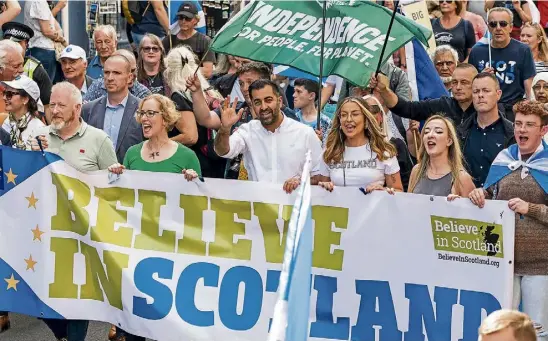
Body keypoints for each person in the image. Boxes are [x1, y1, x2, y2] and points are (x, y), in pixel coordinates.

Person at [108, 95, 200, 341]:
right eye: (142, 114)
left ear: (166, 118)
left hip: (171, 248)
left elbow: (199, 207)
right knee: (136, 319)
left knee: (165, 320)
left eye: (150, 114)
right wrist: (117, 175)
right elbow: (123, 200)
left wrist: (193, 182)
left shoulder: (186, 157)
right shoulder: (132, 154)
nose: (144, 119)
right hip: (138, 246)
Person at [31, 82, 118, 341]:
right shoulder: (40, 137)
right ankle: (63, 335)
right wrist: (35, 155)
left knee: (79, 298)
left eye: (61, 105)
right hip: (46, 231)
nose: (54, 110)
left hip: (83, 234)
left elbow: (114, 187)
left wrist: (114, 174)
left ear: (78, 108)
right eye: (51, 105)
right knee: (36, 295)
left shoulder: (98, 140)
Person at [469, 100, 547, 341]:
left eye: (530, 125)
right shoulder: (504, 158)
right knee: (502, 331)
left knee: (537, 332)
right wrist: (479, 194)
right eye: (519, 124)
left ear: (543, 130)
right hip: (504, 263)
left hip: (540, 265)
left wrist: (530, 208)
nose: (522, 130)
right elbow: (491, 194)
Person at [186, 62, 298, 179]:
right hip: (235, 183)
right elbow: (205, 119)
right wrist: (197, 92)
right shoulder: (234, 109)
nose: (244, 88)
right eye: (241, 83)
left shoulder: (287, 115)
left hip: (274, 183)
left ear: (265, 83)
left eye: (250, 82)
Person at [214, 79, 322, 191]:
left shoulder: (305, 133)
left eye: (268, 100)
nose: (264, 107)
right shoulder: (247, 131)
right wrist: (225, 128)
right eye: (257, 102)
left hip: (292, 205)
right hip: (259, 206)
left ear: (280, 101)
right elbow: (222, 151)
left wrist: (300, 181)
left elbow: (320, 175)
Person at [313, 96, 403, 193]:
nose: (348, 119)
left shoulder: (383, 151)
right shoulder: (329, 152)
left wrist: (383, 190)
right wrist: (325, 186)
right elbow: (321, 192)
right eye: (343, 115)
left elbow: (398, 190)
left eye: (355, 114)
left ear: (366, 120)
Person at [468, 7, 536, 121]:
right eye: (493, 24)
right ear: (488, 27)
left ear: (510, 27)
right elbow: (470, 85)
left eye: (503, 24)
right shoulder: (477, 51)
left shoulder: (523, 50)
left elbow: (529, 87)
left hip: (512, 110)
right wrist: (481, 77)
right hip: (484, 109)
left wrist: (530, 113)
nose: (498, 28)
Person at [370, 63, 479, 127]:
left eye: (464, 82)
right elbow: (406, 108)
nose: (458, 87)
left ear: (475, 84)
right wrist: (384, 90)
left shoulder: (486, 110)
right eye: (455, 82)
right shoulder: (443, 105)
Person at [82, 54, 143, 163]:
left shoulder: (143, 109)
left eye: (116, 73)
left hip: (132, 175)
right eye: (106, 72)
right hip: (96, 175)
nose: (110, 78)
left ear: (130, 78)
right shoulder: (88, 110)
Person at [459, 72, 515, 187]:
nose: (480, 95)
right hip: (466, 200)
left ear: (498, 94)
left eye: (486, 90)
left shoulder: (512, 133)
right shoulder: (461, 132)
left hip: (500, 201)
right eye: (476, 91)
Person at [408, 115, 475, 197]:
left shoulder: (462, 178)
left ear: (449, 141)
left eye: (438, 132)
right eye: (426, 132)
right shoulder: (416, 171)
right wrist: (392, 196)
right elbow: (408, 206)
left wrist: (456, 207)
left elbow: (472, 209)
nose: (430, 135)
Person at [363, 95, 414, 191]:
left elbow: (407, 186)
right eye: (364, 111)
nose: (369, 115)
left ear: (381, 116)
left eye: (374, 110)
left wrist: (384, 191)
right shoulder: (345, 147)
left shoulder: (396, 145)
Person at [2, 21, 52, 118]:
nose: (13, 47)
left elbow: (47, 105)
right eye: (8, 44)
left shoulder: (35, 69)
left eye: (16, 43)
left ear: (26, 44)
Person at [162, 1, 216, 79]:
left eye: (188, 18)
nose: (183, 21)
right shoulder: (168, 40)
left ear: (196, 20)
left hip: (194, 84)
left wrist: (181, 68)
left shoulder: (204, 41)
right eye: (181, 17)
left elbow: (207, 71)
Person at [84, 49, 152, 102]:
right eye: (107, 72)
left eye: (133, 70)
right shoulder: (98, 85)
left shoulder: (143, 93)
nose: (131, 75)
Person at [23, 0, 65, 81]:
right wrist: (60, 38)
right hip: (43, 51)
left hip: (36, 49)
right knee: (46, 88)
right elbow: (47, 31)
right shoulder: (39, 2)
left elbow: (48, 22)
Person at [1, 75, 45, 150]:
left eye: (9, 94)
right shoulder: (8, 121)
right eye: (5, 93)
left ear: (25, 99)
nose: (4, 98)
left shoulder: (39, 129)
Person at [293, 78, 331, 144]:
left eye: (298, 91)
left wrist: (319, 142)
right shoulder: (293, 119)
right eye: (294, 91)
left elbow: (328, 149)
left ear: (311, 96)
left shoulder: (326, 122)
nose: (294, 95)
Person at [0, 40, 24, 113]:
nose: (22, 70)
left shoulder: (26, 86)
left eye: (22, 64)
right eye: (16, 66)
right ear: (0, 69)